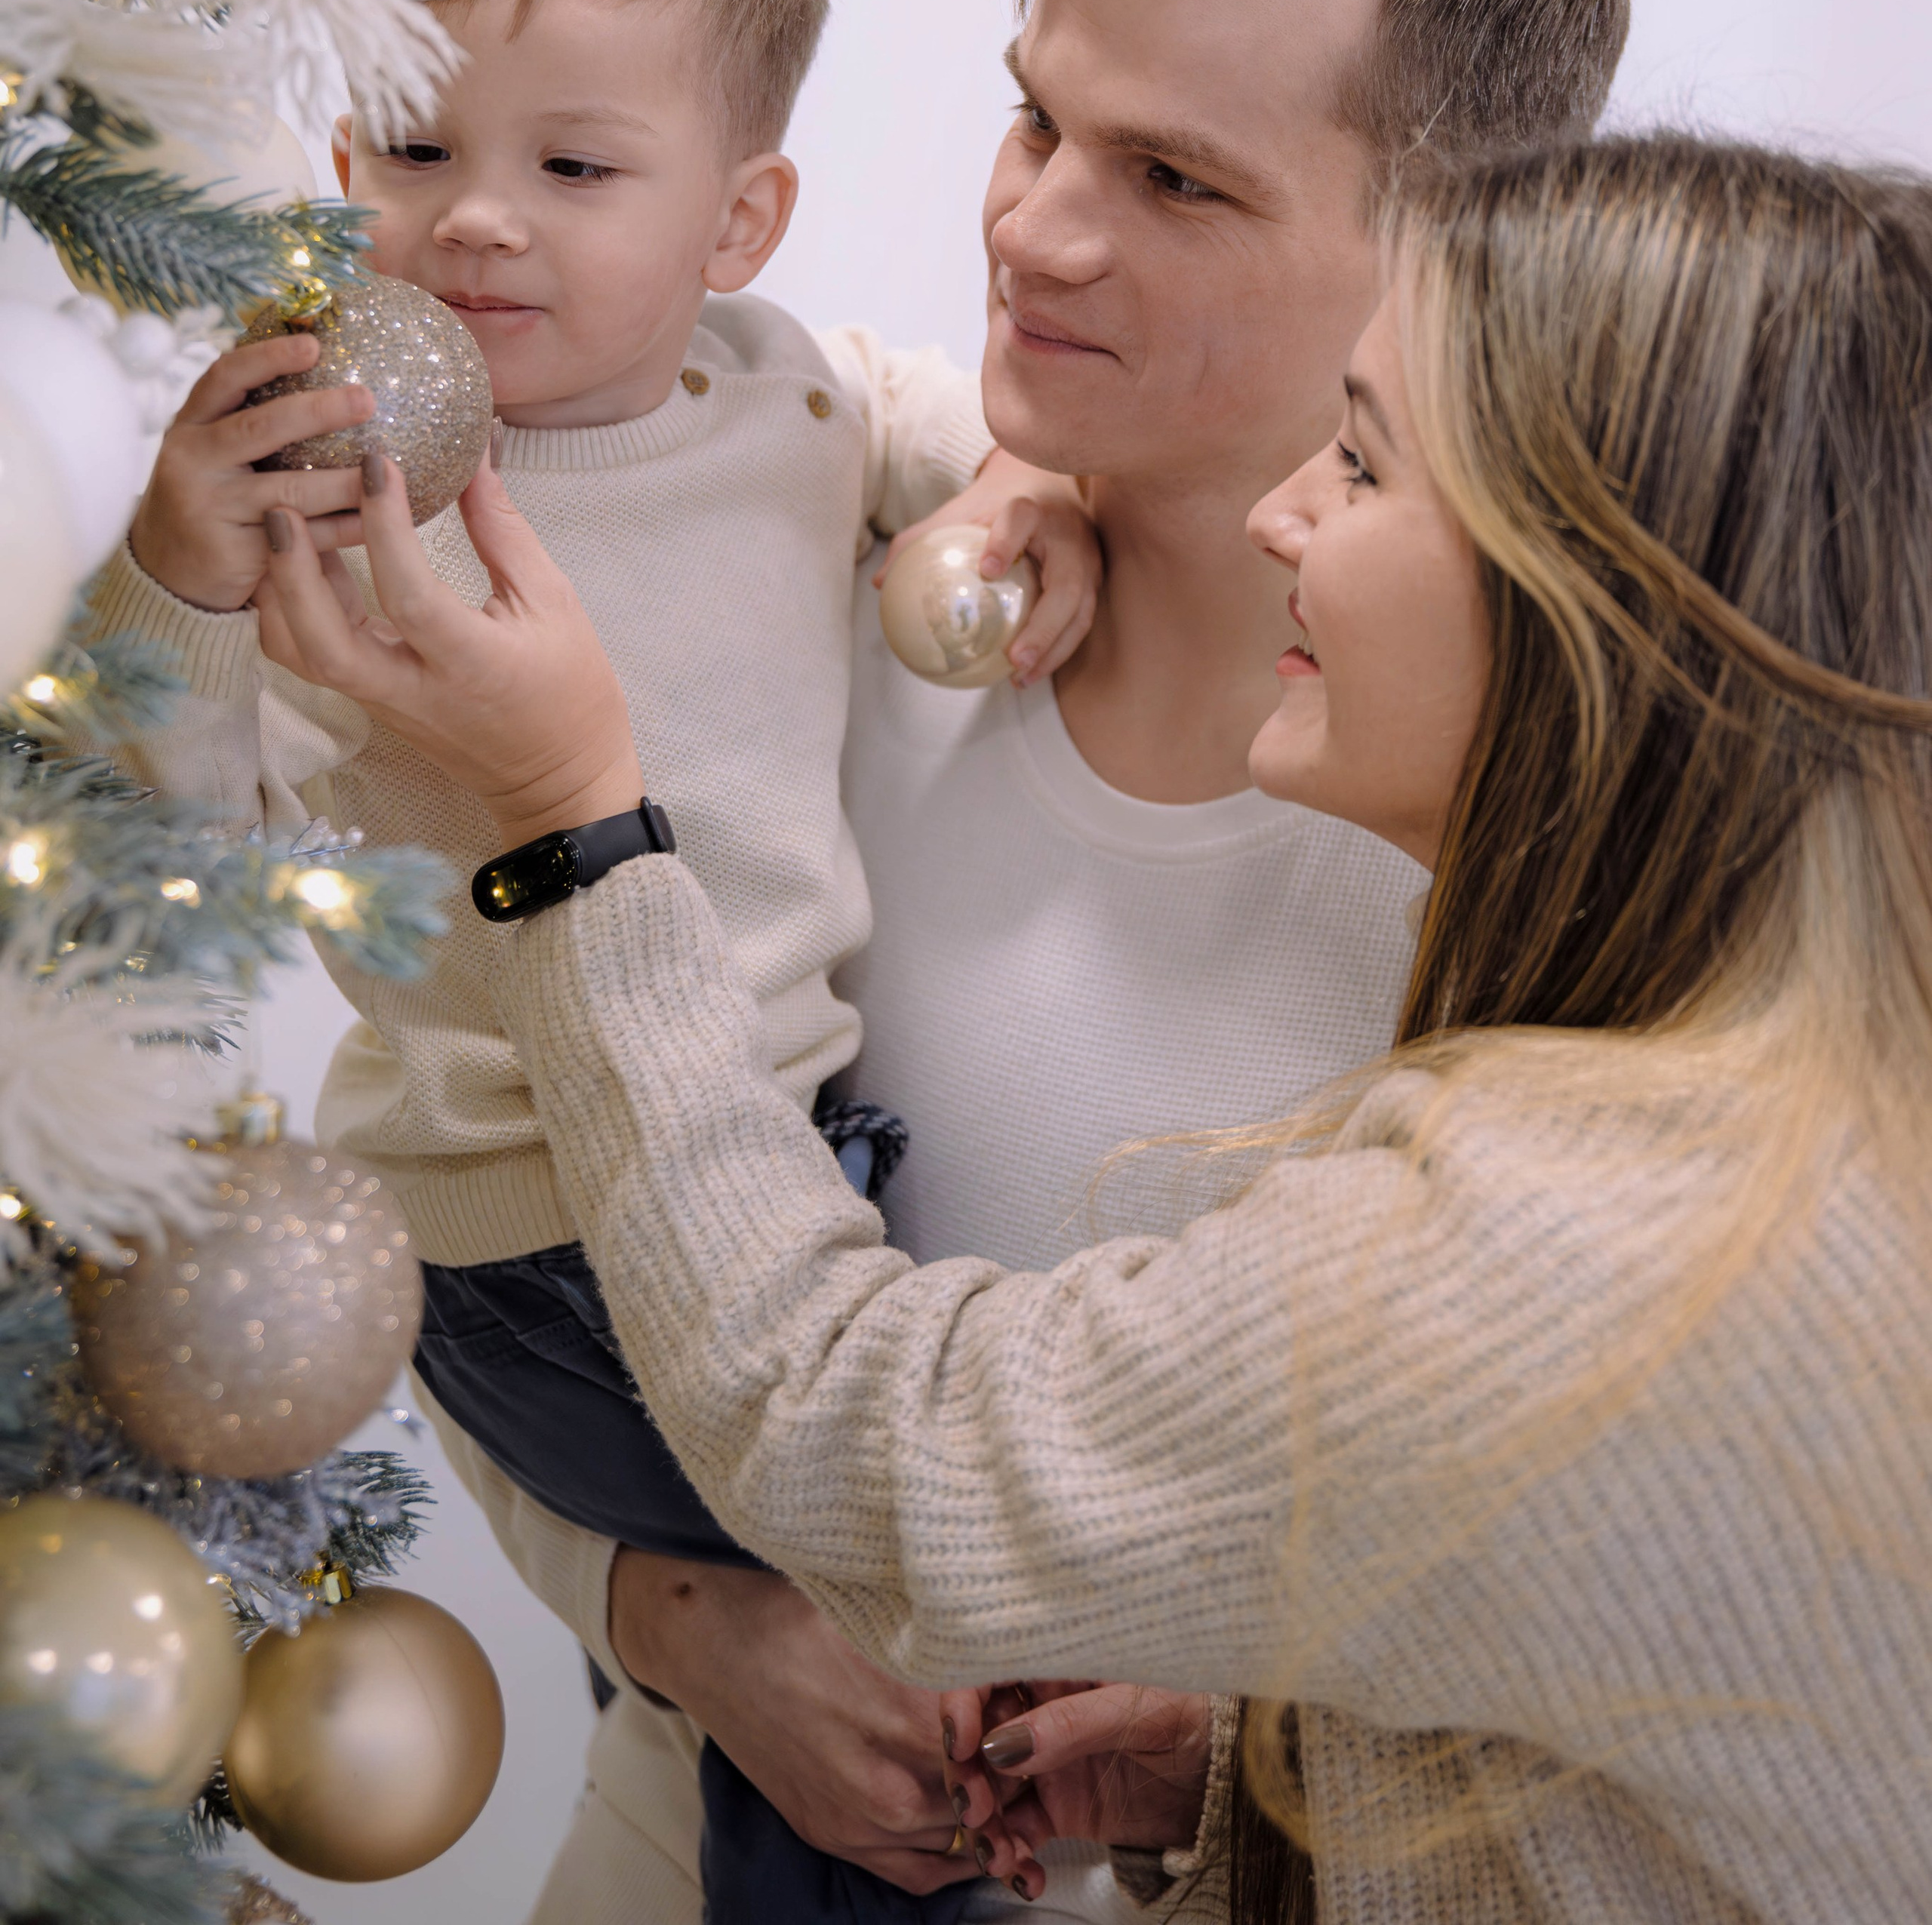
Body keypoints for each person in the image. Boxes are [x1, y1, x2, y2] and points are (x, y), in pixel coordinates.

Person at [254, 130, 1932, 1925]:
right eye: (1033, 118)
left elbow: (860, 1437)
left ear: (1592, 603)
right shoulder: (850, 637)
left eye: (1363, 468)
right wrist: (1258, 1766)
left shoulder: (1590, 1235)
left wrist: (570, 829)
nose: (1034, 227)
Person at [441, 0, 1631, 1920]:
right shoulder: (771, 573)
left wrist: (1252, 1762)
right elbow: (474, 1213)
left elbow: (1646, 1635)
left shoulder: (1557, 845)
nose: (1036, 229)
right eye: (1034, 113)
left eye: (1178, 180)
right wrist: (681, 1622)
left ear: (1461, 241)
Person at [85, 0, 1098, 1925]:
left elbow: (950, 440)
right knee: (849, 1678)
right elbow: (141, 819)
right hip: (530, 1225)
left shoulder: (787, 398)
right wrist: (177, 564)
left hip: (777, 1170)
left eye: (572, 163)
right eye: (419, 148)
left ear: (736, 220)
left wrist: (1014, 513)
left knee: (872, 1635)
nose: (476, 218)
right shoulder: (338, 487)